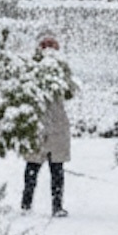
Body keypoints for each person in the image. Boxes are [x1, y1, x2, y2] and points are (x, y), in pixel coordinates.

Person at [21, 33, 75, 217]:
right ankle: (31, 204)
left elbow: (69, 91)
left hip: (53, 123)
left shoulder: (61, 70)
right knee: (37, 167)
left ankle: (51, 205)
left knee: (50, 168)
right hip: (42, 123)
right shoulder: (32, 70)